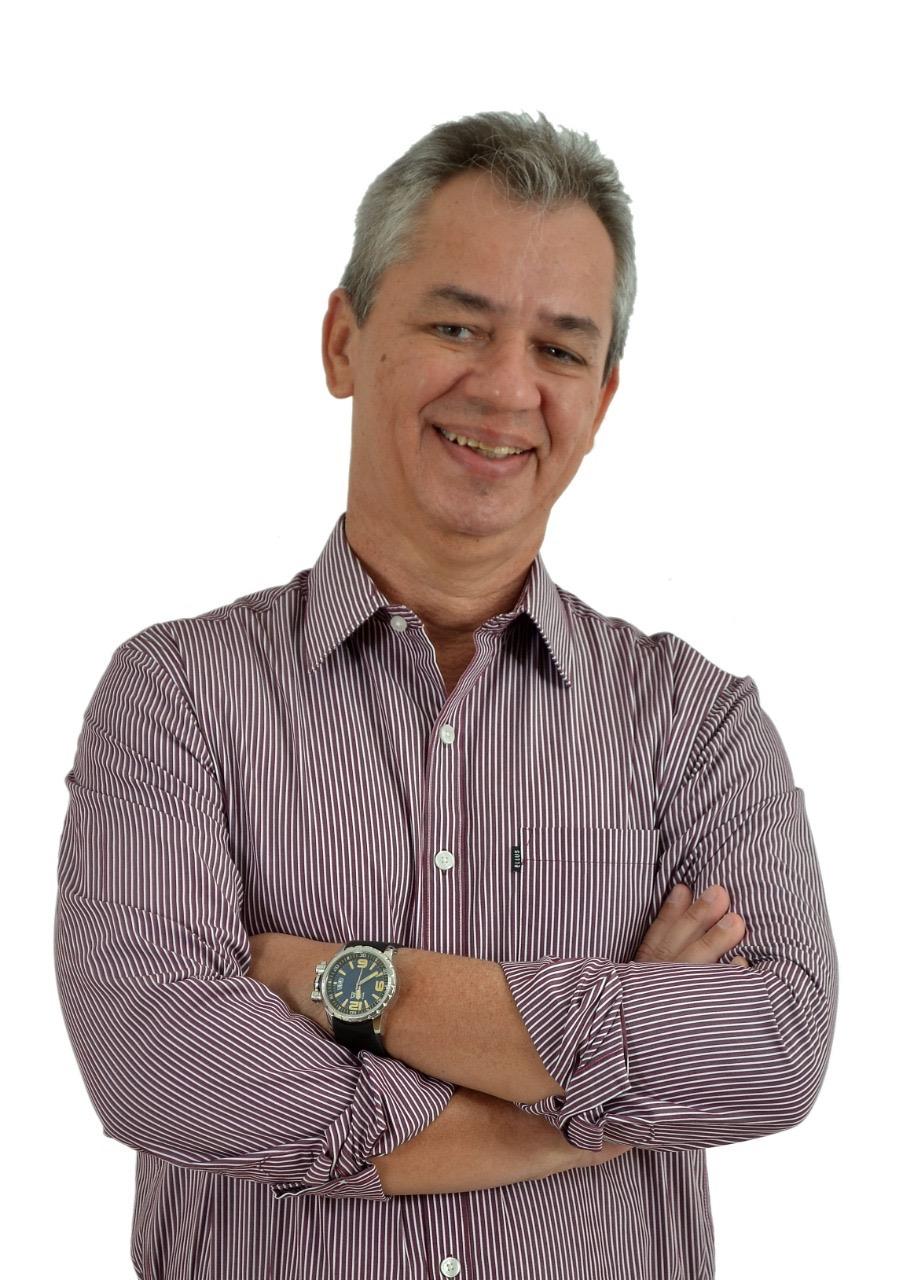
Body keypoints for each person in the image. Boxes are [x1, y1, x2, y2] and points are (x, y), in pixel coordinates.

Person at [54, 110, 837, 1280]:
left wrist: (341, 985)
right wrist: (587, 1106)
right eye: (457, 325)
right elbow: (161, 1063)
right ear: (342, 341)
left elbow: (772, 1048)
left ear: (600, 400)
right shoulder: (174, 697)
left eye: (558, 349)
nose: (506, 387)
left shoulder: (695, 723)